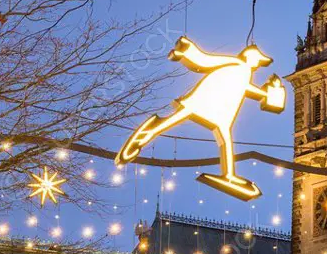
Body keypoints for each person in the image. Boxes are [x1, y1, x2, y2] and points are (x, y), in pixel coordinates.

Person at [116, 38, 285, 201]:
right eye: (258, 61)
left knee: (225, 139)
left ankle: (229, 175)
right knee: (174, 122)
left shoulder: (245, 72)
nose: (257, 65)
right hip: (203, 101)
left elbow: (247, 88)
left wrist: (266, 94)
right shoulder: (236, 64)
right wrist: (187, 50)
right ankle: (143, 137)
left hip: (220, 111)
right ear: (249, 57)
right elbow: (206, 60)